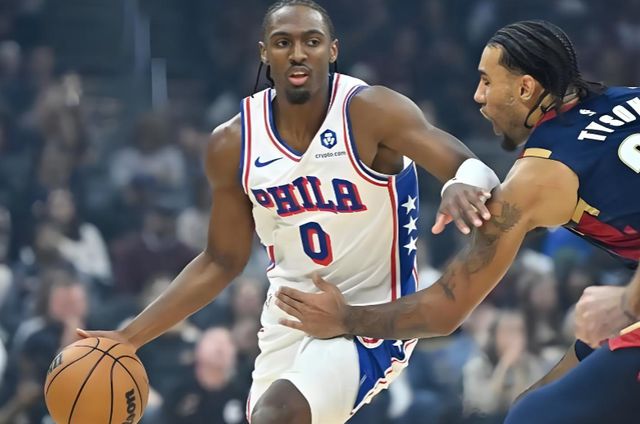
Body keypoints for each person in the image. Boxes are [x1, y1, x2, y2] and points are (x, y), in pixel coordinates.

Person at [78, 1, 500, 424]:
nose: (298, 53)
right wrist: (129, 338)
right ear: (264, 53)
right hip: (288, 322)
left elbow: (472, 166)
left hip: (370, 321)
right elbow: (221, 260)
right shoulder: (233, 142)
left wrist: (459, 182)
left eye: (311, 42)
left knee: (277, 415)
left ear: (332, 50)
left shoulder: (371, 111)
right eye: (283, 43)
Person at [274, 20, 640, 423]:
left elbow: (445, 310)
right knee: (535, 402)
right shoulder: (630, 97)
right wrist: (463, 181)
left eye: (487, 81)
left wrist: (346, 318)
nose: (478, 96)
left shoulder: (540, 175)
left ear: (525, 89)